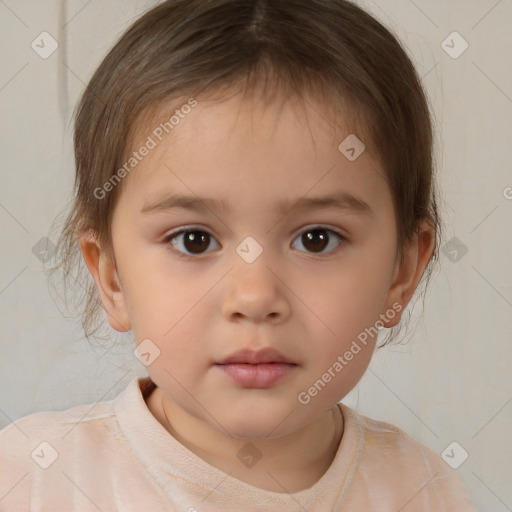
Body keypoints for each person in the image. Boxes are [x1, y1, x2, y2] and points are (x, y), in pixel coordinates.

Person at [0, 0, 476, 510]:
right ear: (111, 276)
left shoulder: (421, 490)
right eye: (194, 240)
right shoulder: (33, 477)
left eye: (317, 239)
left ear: (401, 273)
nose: (255, 297)